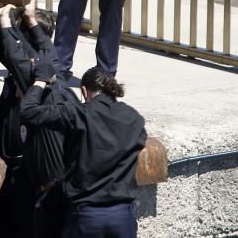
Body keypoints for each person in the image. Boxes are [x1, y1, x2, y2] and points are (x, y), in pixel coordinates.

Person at [0, 0, 70, 238]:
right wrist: (25, 19)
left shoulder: (40, 82)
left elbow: (11, 53)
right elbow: (10, 51)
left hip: (34, 182)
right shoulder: (46, 68)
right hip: (17, 172)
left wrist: (7, 21)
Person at [22, 66, 148, 238]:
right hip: (122, 217)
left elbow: (28, 111)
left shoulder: (78, 113)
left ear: (83, 90)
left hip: (86, 218)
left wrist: (40, 81)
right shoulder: (134, 118)